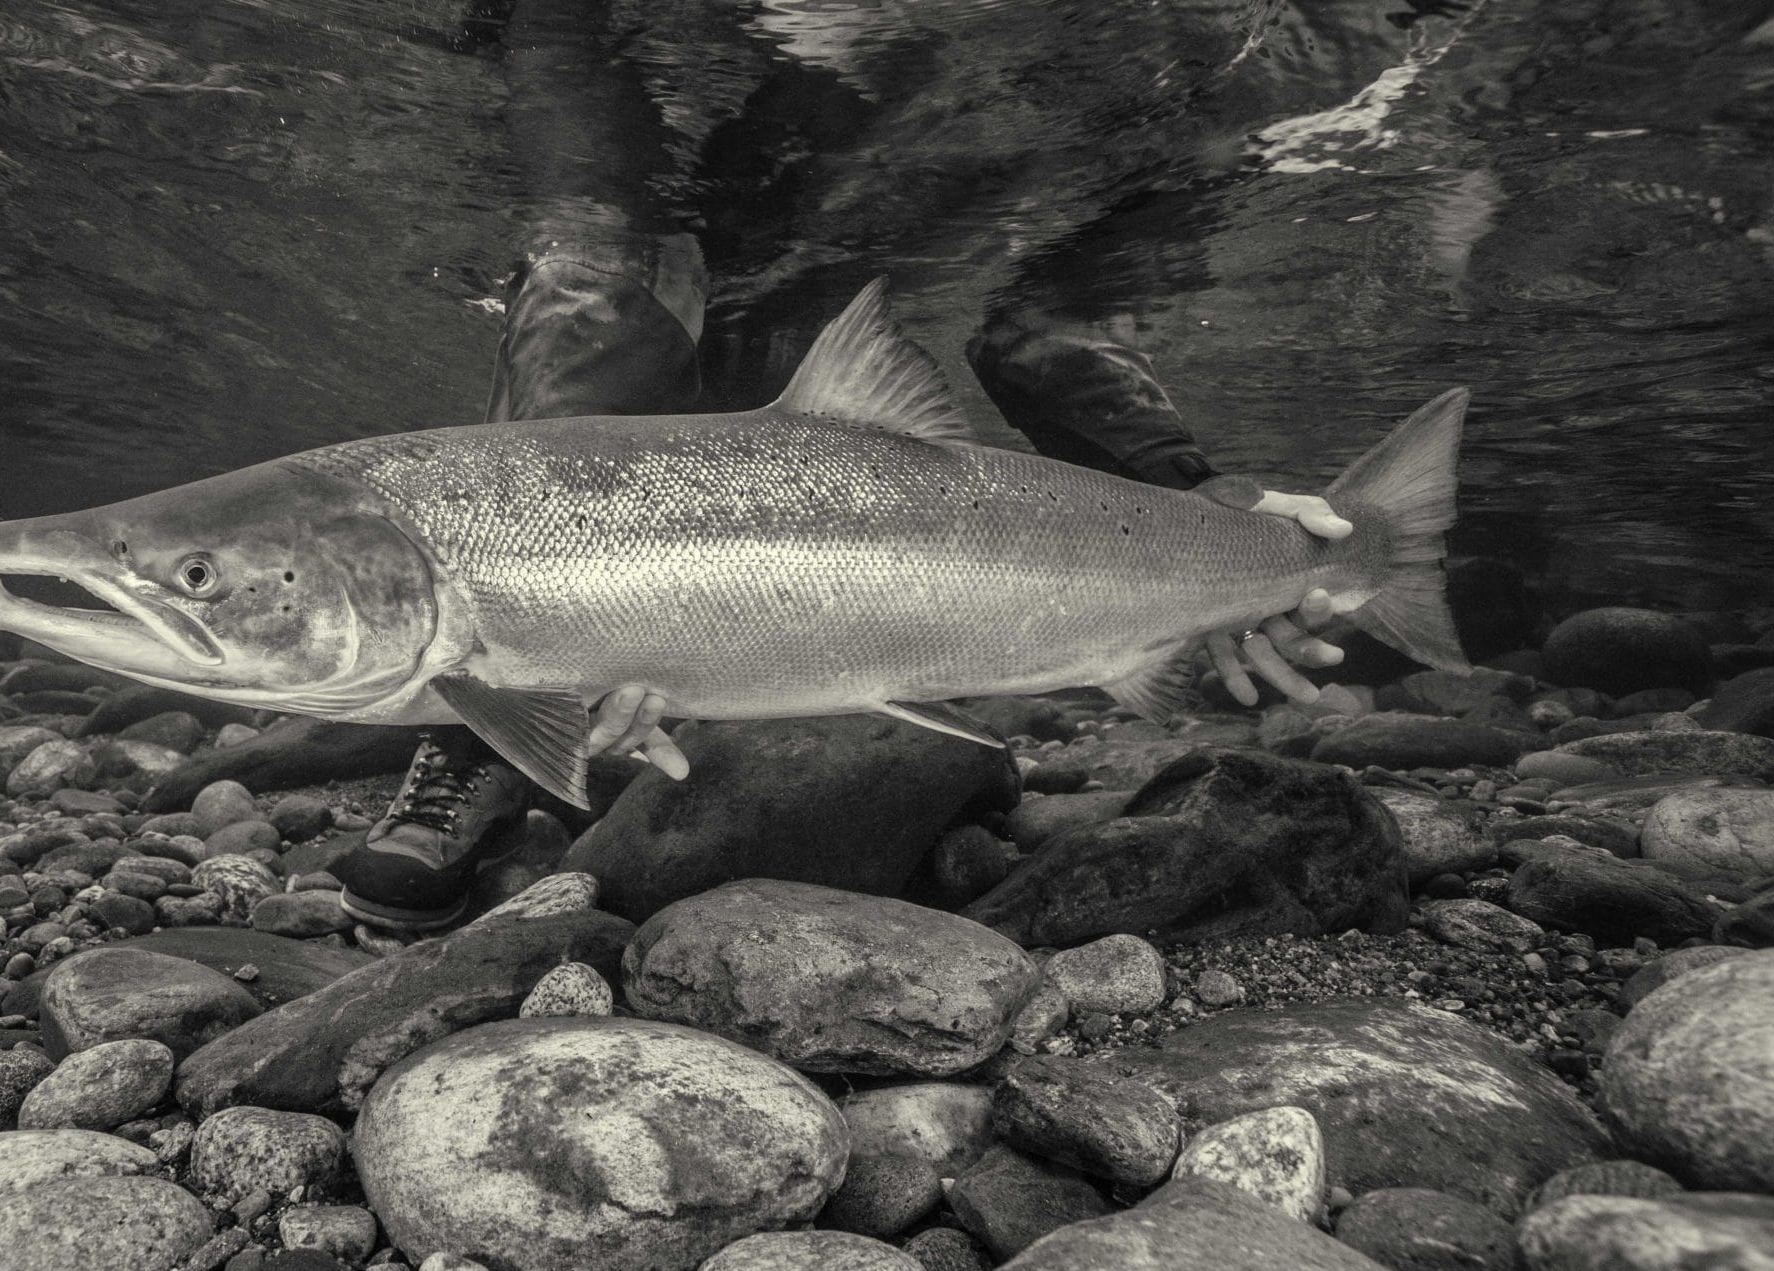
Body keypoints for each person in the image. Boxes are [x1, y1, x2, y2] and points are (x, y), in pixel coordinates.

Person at [331, 241, 1354, 930]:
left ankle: (495, 706)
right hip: (679, 314)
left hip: (822, 310)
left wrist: (1203, 498)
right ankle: (480, 728)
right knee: (578, 279)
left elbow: (1054, 339)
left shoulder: (976, 112)